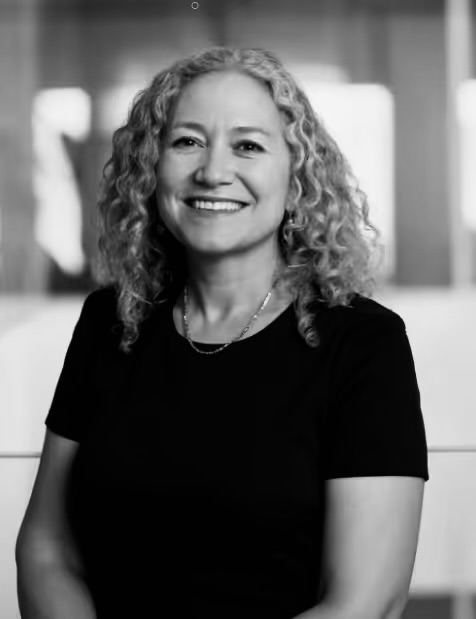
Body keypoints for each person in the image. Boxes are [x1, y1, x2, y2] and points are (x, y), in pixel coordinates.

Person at [15, 46, 429, 619]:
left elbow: (366, 602)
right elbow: (45, 548)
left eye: (248, 146)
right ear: (151, 167)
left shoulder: (364, 343)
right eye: (187, 141)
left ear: (297, 177)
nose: (212, 171)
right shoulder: (110, 319)